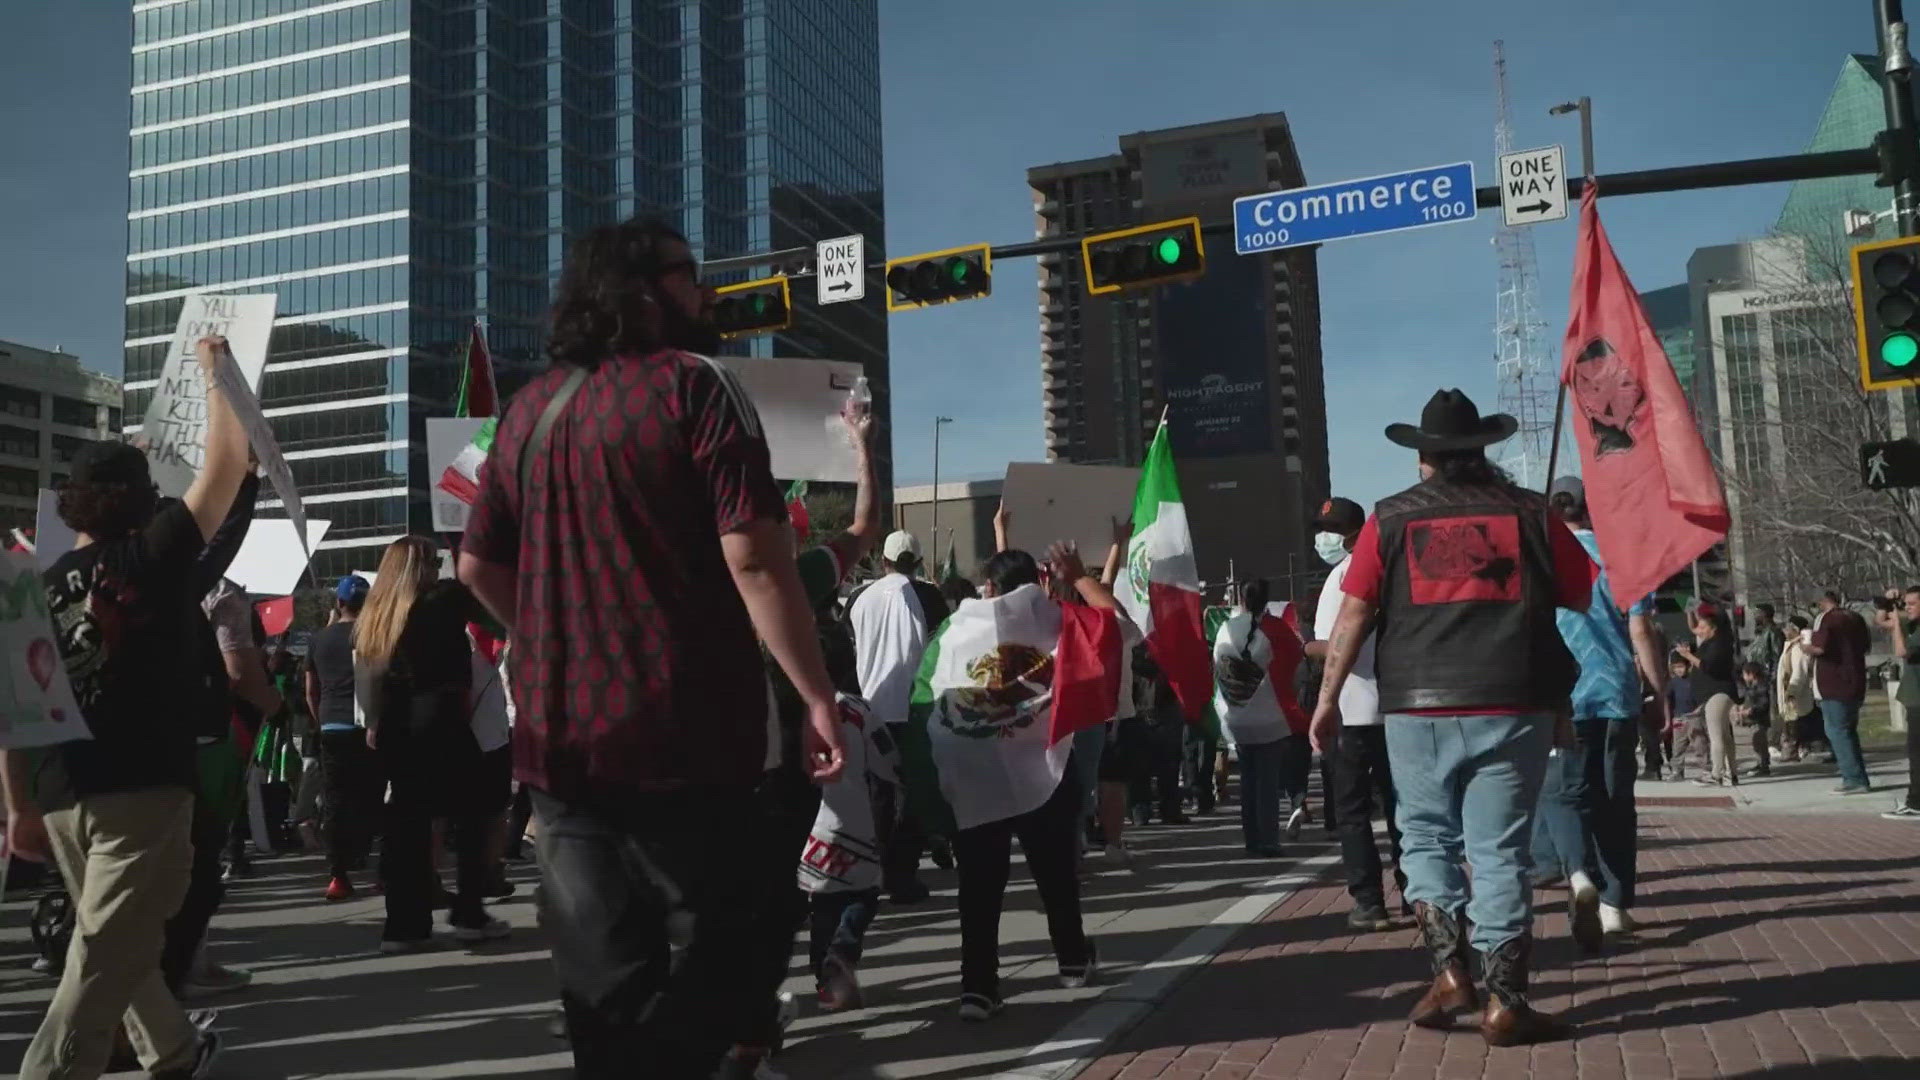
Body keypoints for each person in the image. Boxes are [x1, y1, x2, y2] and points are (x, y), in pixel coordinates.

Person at [457, 217, 845, 1079]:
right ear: (640, 288)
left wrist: (549, 634)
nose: (701, 291)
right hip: (686, 728)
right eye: (686, 274)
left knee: (603, 978)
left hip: (560, 746)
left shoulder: (527, 410)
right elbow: (753, 555)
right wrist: (816, 692)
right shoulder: (698, 386)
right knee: (740, 937)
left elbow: (476, 562)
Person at [1311, 389, 1593, 1047]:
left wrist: (1326, 702)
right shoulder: (1531, 513)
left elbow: (1353, 616)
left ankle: (1449, 971)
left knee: (1426, 839)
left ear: (1423, 460)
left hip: (1416, 705)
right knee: (1499, 853)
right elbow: (1579, 593)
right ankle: (1506, 1000)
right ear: (1483, 450)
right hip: (1512, 701)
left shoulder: (1388, 521)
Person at [4, 335, 247, 1080]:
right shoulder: (158, 552)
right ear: (144, 499)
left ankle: (174, 1051)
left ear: (71, 501)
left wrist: (17, 809)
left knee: (122, 938)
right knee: (105, 952)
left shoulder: (31, 586)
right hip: (144, 784)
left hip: (65, 792)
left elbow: (13, 712)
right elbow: (227, 468)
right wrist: (219, 375)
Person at [915, 544, 1121, 1022]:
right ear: (1041, 580)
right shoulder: (1058, 617)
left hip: (974, 774)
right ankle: (1071, 960)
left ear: (989, 586)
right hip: (1044, 772)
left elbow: (924, 696)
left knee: (979, 887)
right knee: (1055, 875)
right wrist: (1079, 577)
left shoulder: (955, 626)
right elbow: (1113, 626)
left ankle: (978, 988)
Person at [354, 537, 505, 953]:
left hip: (395, 726)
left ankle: (404, 925)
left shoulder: (377, 613)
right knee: (476, 811)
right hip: (442, 717)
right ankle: (470, 913)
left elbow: (368, 680)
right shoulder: (445, 598)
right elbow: (497, 616)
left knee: (407, 826)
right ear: (423, 566)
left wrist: (375, 721)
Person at [1535, 477, 1667, 950]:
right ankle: (1614, 904)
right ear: (1592, 510)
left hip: (1563, 696)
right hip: (1615, 692)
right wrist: (1656, 691)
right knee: (1615, 800)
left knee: (1566, 795)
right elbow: (1642, 630)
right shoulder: (1622, 557)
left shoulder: (1540, 560)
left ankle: (1577, 874)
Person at [1309, 496, 1403, 932]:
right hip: (1399, 708)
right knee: (1406, 810)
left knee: (1352, 812)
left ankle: (1369, 902)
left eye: (1325, 530)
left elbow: (1335, 644)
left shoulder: (1342, 576)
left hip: (1351, 708)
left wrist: (1305, 647)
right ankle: (1417, 894)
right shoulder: (1394, 569)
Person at [848, 528, 950, 903]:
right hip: (914, 708)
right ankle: (901, 874)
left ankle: (873, 873)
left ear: (883, 561)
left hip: (871, 709)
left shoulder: (858, 598)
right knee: (915, 792)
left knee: (878, 794)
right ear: (919, 562)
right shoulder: (929, 595)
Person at [1212, 578, 1298, 858]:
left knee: (1248, 782)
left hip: (1237, 717)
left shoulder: (1226, 628)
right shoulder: (1276, 630)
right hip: (1271, 717)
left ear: (1241, 598)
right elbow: (1294, 665)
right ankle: (1269, 840)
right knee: (1268, 783)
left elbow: (1219, 667)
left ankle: (1252, 839)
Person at [308, 575, 379, 900]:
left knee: (335, 799)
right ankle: (363, 854)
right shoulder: (371, 635)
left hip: (331, 724)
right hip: (364, 725)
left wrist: (320, 717)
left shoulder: (318, 639)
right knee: (367, 796)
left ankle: (337, 873)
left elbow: (311, 689)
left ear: (338, 602)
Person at [1803, 590, 1873, 795]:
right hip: (1855, 680)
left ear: (1823, 603)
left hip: (1833, 683)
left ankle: (1854, 779)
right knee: (1848, 731)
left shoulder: (1826, 619)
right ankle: (1858, 776)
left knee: (1837, 732)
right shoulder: (1855, 618)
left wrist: (1805, 645)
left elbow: (1819, 648)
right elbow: (1865, 646)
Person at [1675, 605, 1739, 787]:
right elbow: (1694, 628)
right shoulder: (1711, 642)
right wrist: (1691, 612)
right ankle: (1731, 773)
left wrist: (1688, 655)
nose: (1699, 631)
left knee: (1716, 735)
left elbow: (1707, 666)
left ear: (1714, 628)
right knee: (1725, 736)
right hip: (1715, 694)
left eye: (1704, 627)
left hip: (1717, 694)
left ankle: (1716, 774)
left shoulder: (1719, 644)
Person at [1885, 586, 1920, 820]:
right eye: (1906, 603)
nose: (1908, 607)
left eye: (1912, 603)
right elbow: (1881, 621)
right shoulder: (1914, 626)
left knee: (1917, 754)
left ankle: (1916, 802)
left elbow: (1901, 650)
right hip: (1913, 697)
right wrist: (1890, 605)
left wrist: (1898, 622)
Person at [1776, 615, 1819, 763]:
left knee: (1796, 724)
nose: (1785, 630)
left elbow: (1799, 673)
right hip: (1790, 694)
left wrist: (1791, 693)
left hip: (1797, 696)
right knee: (1791, 724)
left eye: (1788, 627)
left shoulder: (1798, 649)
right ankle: (1793, 751)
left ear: (1795, 630)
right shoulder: (1790, 646)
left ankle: (1798, 751)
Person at [1664, 656, 1701, 781]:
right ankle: (1677, 772)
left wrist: (1698, 711)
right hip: (1679, 718)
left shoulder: (1694, 680)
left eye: (1681, 666)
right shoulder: (1673, 682)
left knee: (1700, 744)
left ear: (1688, 666)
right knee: (1678, 747)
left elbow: (1701, 697)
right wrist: (1669, 718)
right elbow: (1667, 700)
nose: (1679, 670)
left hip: (1694, 717)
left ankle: (1706, 770)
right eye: (1676, 668)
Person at [1735, 662, 1773, 777]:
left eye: (1745, 674)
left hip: (1759, 719)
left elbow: (1763, 703)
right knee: (1757, 742)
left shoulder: (1761, 686)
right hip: (1754, 719)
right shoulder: (1754, 685)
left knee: (1759, 742)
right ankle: (1761, 763)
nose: (1743, 677)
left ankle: (1763, 765)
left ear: (1752, 674)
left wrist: (1751, 710)